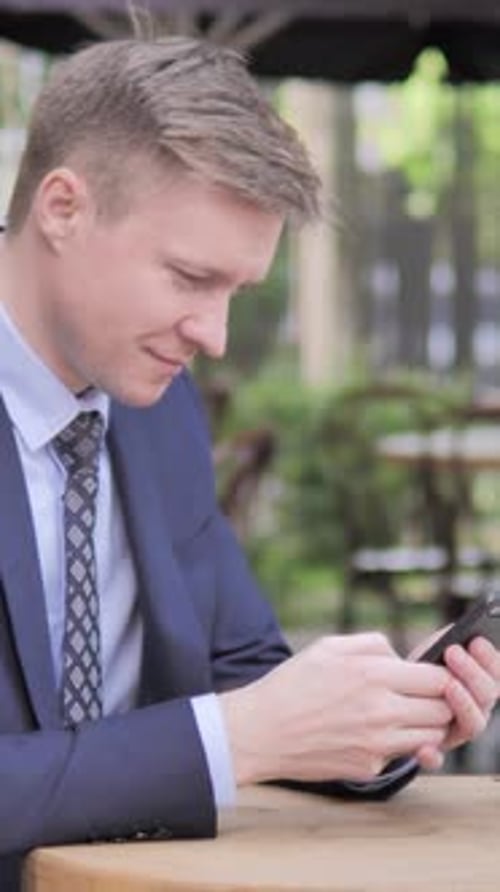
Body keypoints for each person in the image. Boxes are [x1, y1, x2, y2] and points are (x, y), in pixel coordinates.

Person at [0, 34, 498, 892]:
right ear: (62, 208)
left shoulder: (159, 408)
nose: (215, 337)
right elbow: (232, 726)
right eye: (190, 277)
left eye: (235, 292)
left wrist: (368, 718)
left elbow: (241, 671)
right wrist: (239, 737)